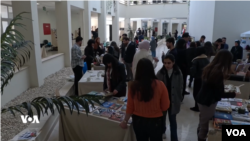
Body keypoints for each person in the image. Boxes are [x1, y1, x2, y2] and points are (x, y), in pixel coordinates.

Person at [119, 58, 170, 141]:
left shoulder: (133, 86)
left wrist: (125, 121)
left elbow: (130, 107)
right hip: (155, 121)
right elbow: (165, 106)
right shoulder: (161, 85)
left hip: (138, 121)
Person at [196, 50, 238, 141]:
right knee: (204, 127)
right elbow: (219, 93)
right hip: (207, 101)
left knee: (202, 123)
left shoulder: (211, 67)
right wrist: (233, 94)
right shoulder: (217, 72)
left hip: (203, 99)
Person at [157, 54, 183, 140]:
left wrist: (179, 99)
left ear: (173, 62)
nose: (166, 65)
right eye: (165, 63)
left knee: (172, 120)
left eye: (169, 63)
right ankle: (162, 132)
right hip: (162, 101)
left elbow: (181, 87)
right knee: (162, 119)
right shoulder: (160, 73)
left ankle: (174, 138)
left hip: (174, 100)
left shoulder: (178, 73)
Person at [189, 47, 209, 112]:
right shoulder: (207, 59)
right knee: (203, 92)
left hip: (198, 79)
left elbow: (193, 71)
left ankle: (197, 107)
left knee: (196, 93)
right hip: (205, 79)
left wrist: (193, 75)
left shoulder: (196, 60)